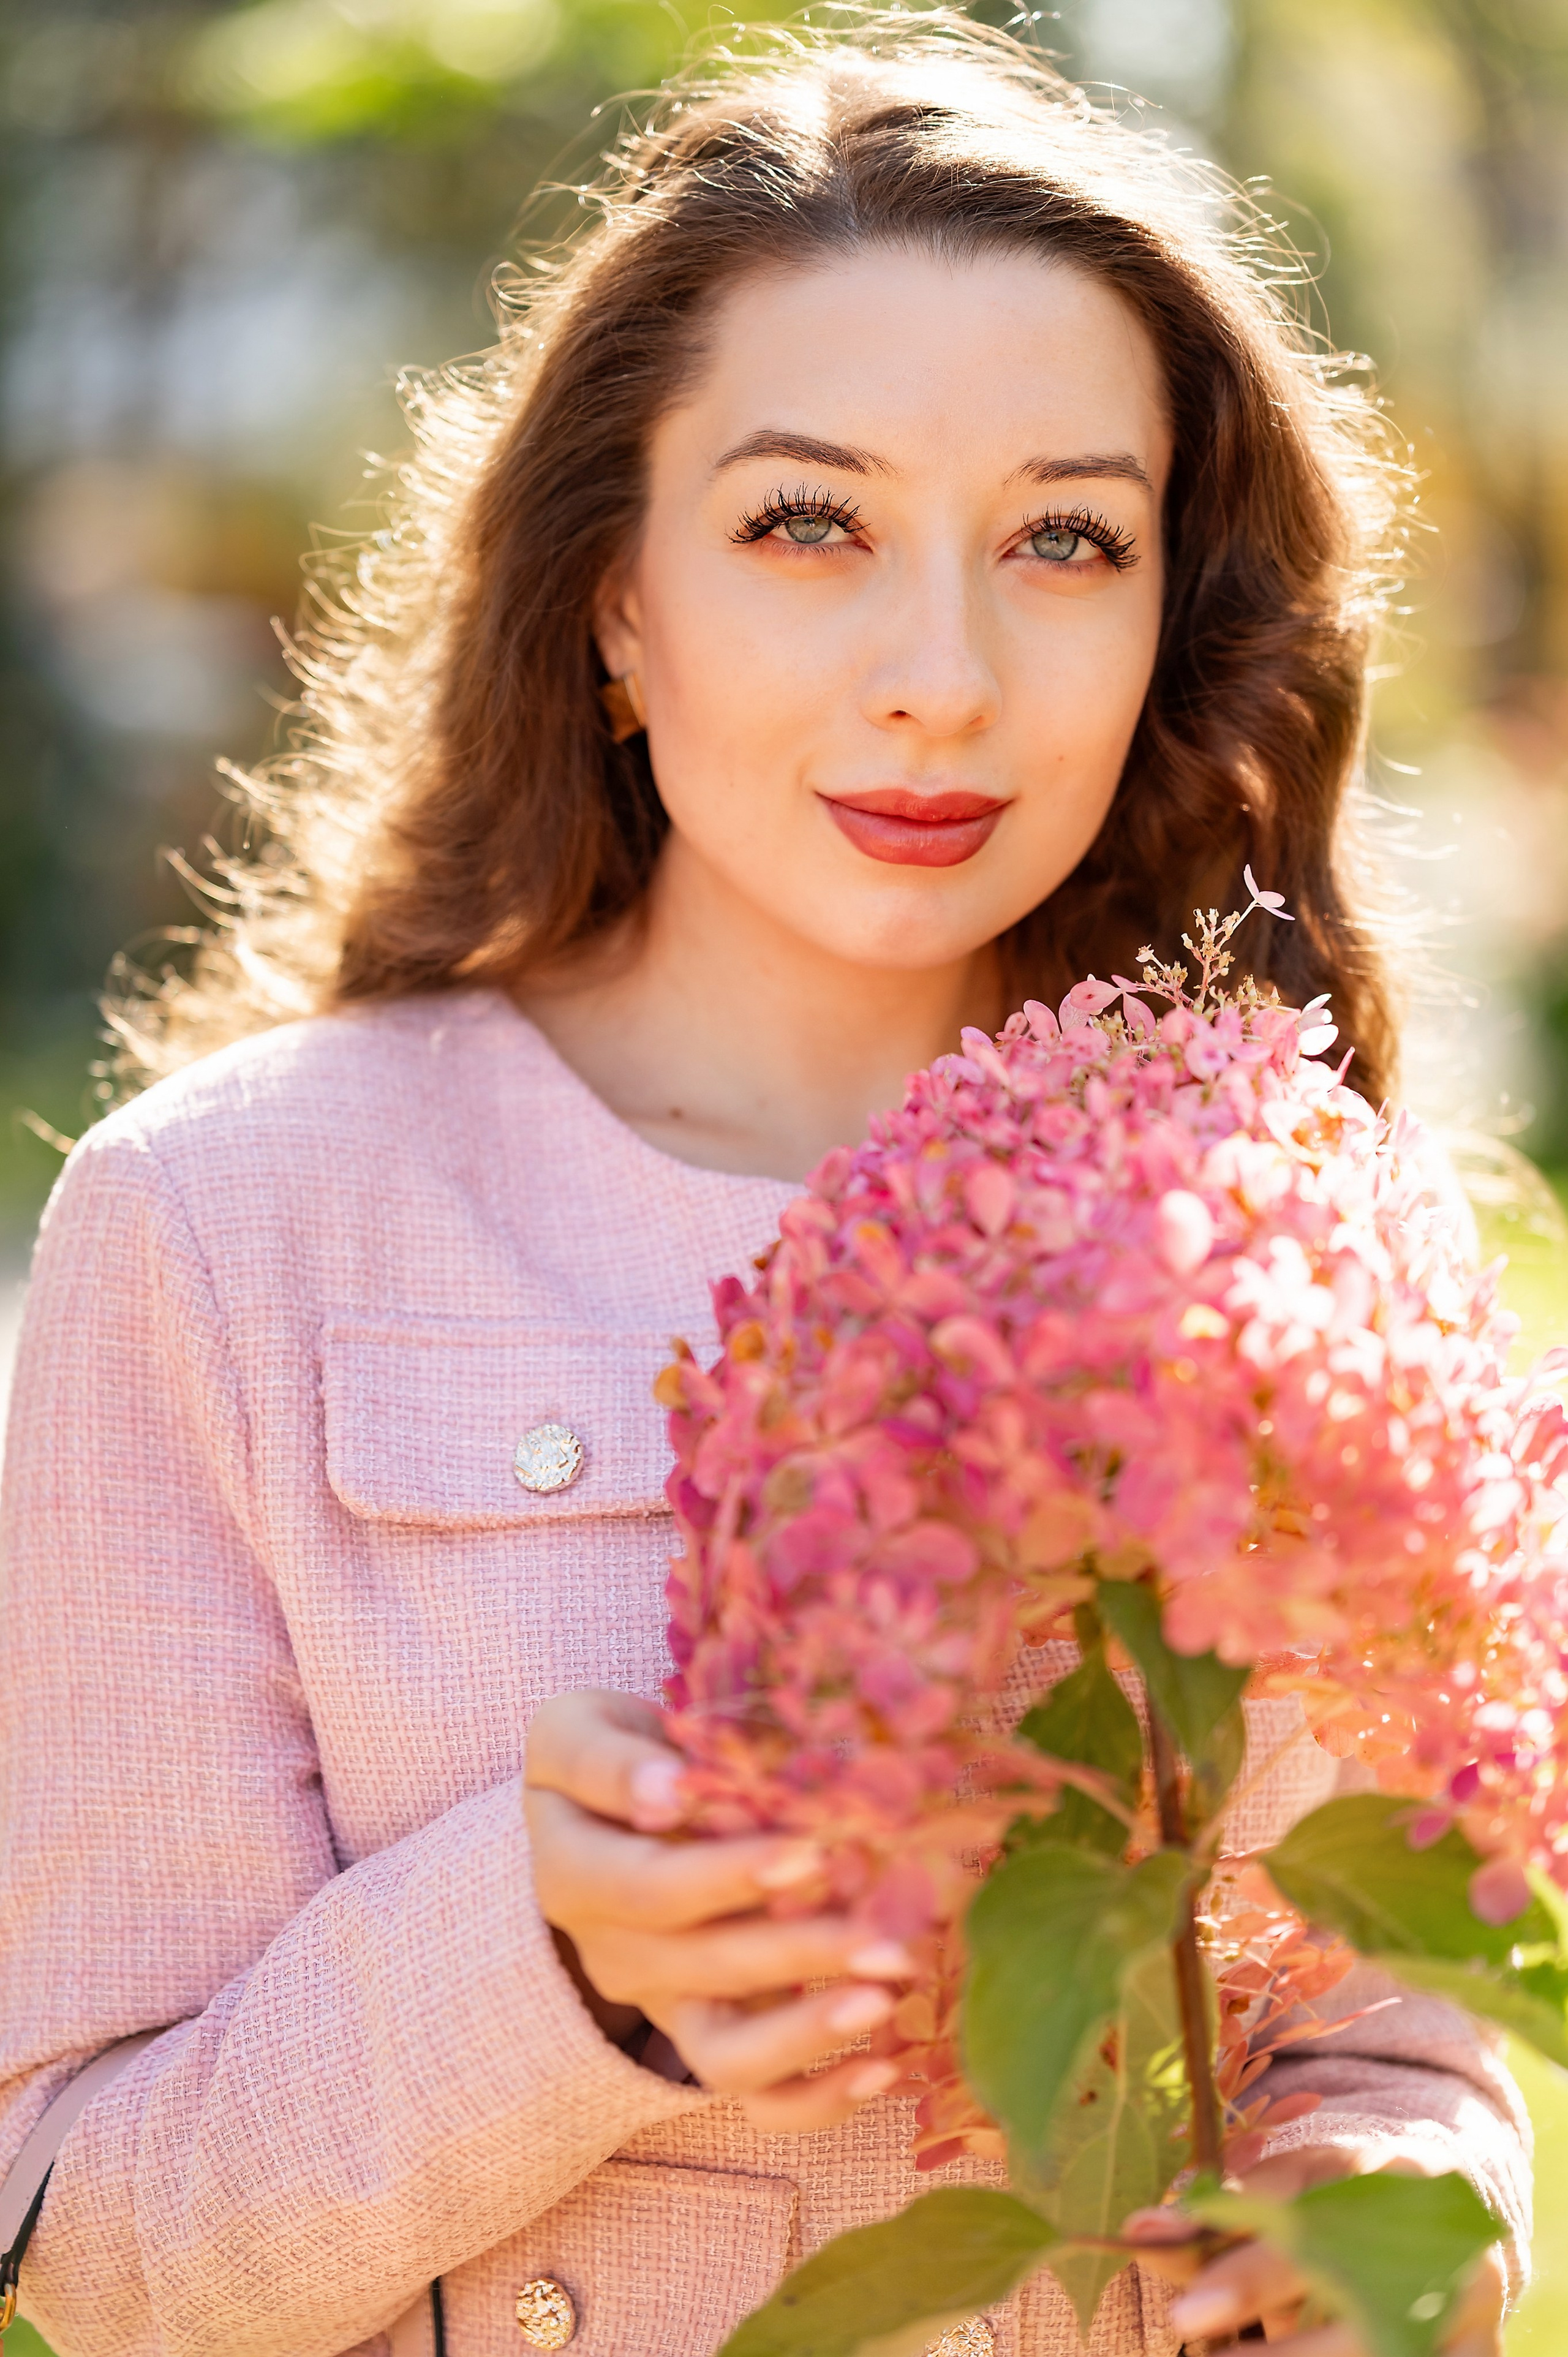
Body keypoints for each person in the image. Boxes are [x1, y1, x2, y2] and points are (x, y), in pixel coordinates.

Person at [0, 15, 1526, 2355]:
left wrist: (1382, 2195)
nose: (943, 674)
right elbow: (84, 2260)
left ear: (1165, 619)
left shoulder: (1271, 1217)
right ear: (618, 600)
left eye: (1065, 540)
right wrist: (547, 1968)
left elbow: (1383, 2001)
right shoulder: (224, 1235)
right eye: (807, 523)